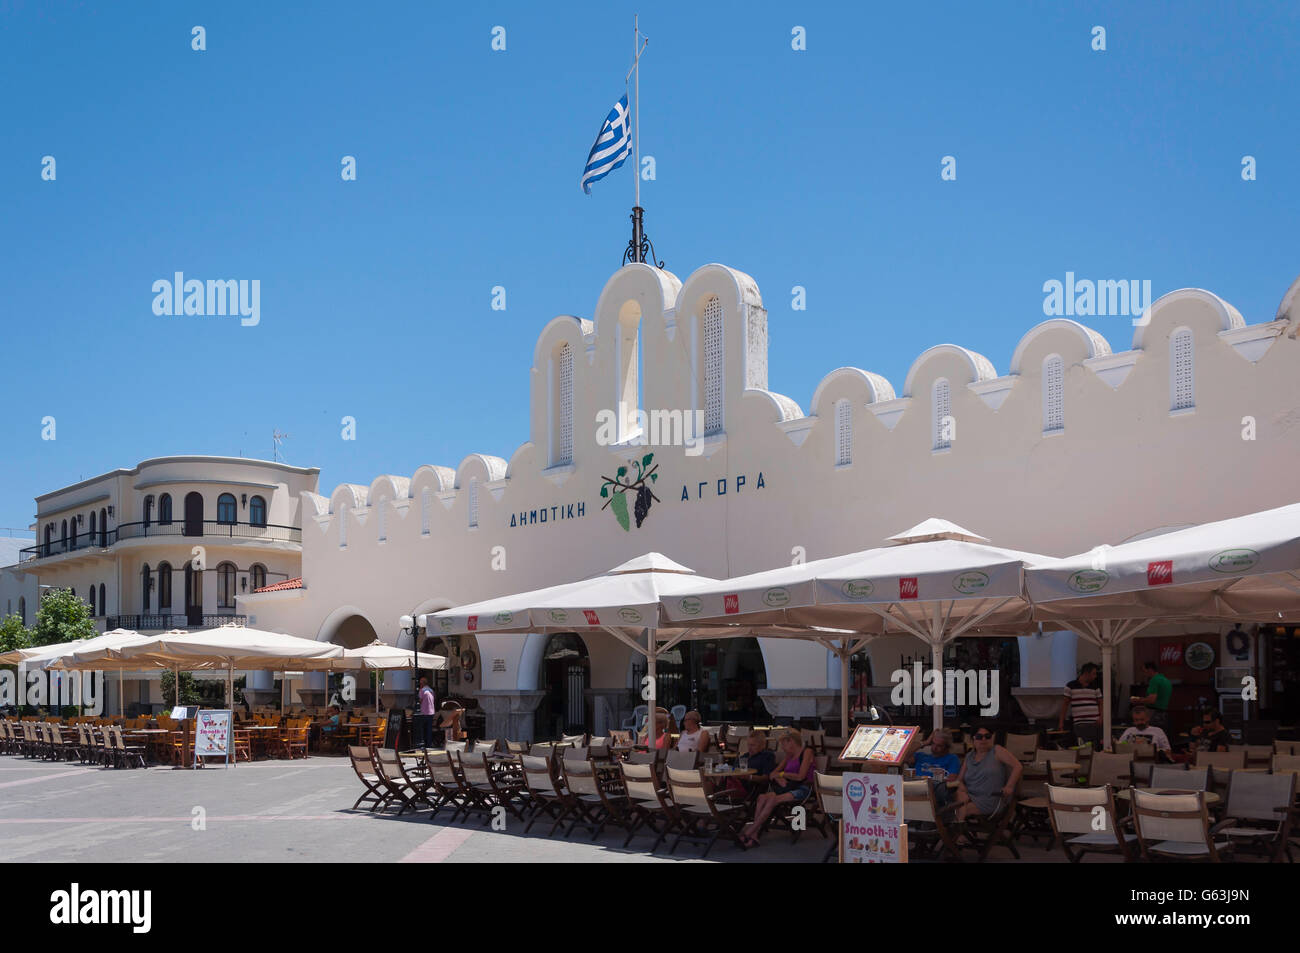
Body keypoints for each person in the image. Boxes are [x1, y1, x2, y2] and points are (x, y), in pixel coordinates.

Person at [739, 730, 815, 847]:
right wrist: (779, 777)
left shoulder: (807, 752)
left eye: (783, 744)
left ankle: (751, 831)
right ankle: (754, 836)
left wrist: (782, 775)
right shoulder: (789, 756)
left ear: (791, 742)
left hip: (803, 788)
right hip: (788, 787)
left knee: (772, 800)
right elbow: (772, 774)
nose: (782, 748)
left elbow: (801, 776)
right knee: (761, 797)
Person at [952, 725, 1023, 822]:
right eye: (979, 737)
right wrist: (963, 790)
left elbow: (1018, 766)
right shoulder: (969, 756)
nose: (983, 739)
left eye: (987, 736)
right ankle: (955, 831)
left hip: (990, 799)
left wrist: (1009, 786)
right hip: (969, 797)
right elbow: (959, 780)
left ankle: (955, 833)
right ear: (973, 739)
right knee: (953, 799)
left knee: (954, 811)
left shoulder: (997, 751)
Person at [911, 729, 961, 805]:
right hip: (912, 789)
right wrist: (924, 742)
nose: (934, 747)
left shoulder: (952, 758)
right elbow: (902, 754)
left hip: (932, 793)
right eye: (933, 743)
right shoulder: (921, 756)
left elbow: (952, 779)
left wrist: (934, 779)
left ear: (947, 747)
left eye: (939, 745)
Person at [1059, 662, 1102, 748]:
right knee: (1083, 747)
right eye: (1093, 674)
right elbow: (1065, 705)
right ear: (1086, 673)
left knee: (1096, 747)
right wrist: (1061, 722)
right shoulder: (1070, 686)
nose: (1095, 676)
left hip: (1094, 722)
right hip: (1080, 723)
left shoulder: (1095, 686)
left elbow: (1101, 703)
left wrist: (1101, 717)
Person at [1130, 661, 1172, 730]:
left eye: (1144, 671)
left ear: (1150, 670)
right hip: (1163, 714)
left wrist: (1137, 700)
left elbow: (1151, 700)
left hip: (1154, 714)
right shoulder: (1166, 680)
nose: (1144, 674)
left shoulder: (1154, 680)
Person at [413, 677, 436, 749]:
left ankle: (422, 743)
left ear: (422, 683)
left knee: (422, 729)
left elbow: (419, 701)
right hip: (431, 712)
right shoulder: (431, 690)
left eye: (420, 683)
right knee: (429, 729)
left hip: (424, 712)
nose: (420, 684)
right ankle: (428, 744)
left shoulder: (422, 690)